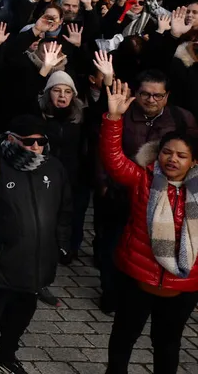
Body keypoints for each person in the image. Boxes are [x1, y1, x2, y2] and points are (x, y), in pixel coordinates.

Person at [0, 115, 72, 374]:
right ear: (12, 140)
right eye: (29, 142)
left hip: (38, 259)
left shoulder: (54, 167)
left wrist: (60, 244)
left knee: (23, 311)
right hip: (1, 258)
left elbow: (65, 209)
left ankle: (7, 353)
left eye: (40, 142)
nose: (35, 147)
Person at [100, 80, 198, 374]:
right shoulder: (144, 178)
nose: (172, 160)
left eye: (181, 156)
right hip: (137, 277)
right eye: (167, 152)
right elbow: (114, 162)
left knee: (167, 344)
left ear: (193, 163)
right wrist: (114, 119)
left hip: (183, 285)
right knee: (123, 338)